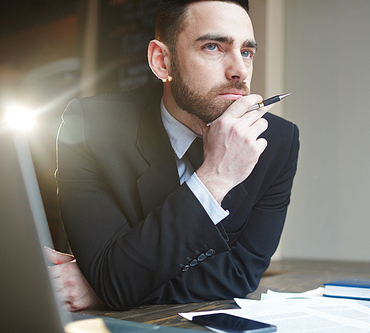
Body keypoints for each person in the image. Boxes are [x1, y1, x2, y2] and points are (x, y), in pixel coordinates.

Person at [50, 0, 299, 312]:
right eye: (213, 47)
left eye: (246, 52)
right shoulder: (90, 127)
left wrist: (106, 287)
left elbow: (240, 276)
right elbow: (112, 275)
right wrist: (215, 179)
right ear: (161, 61)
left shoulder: (277, 141)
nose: (239, 71)